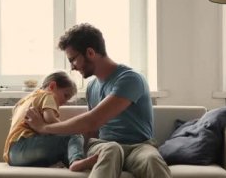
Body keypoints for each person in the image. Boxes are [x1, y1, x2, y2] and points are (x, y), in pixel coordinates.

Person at [25, 23, 172, 178]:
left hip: (139, 147)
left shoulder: (130, 79)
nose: (72, 67)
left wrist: (44, 128)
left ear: (90, 52)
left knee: (151, 159)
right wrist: (80, 155)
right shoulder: (92, 87)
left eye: (73, 59)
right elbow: (92, 131)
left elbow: (93, 121)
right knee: (111, 149)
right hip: (104, 145)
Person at [3, 71, 98, 171]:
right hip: (24, 147)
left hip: (12, 155)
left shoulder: (27, 99)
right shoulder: (47, 95)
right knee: (74, 135)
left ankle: (73, 162)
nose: (64, 102)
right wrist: (70, 128)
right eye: (65, 96)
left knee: (62, 144)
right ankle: (76, 161)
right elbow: (50, 119)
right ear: (52, 86)